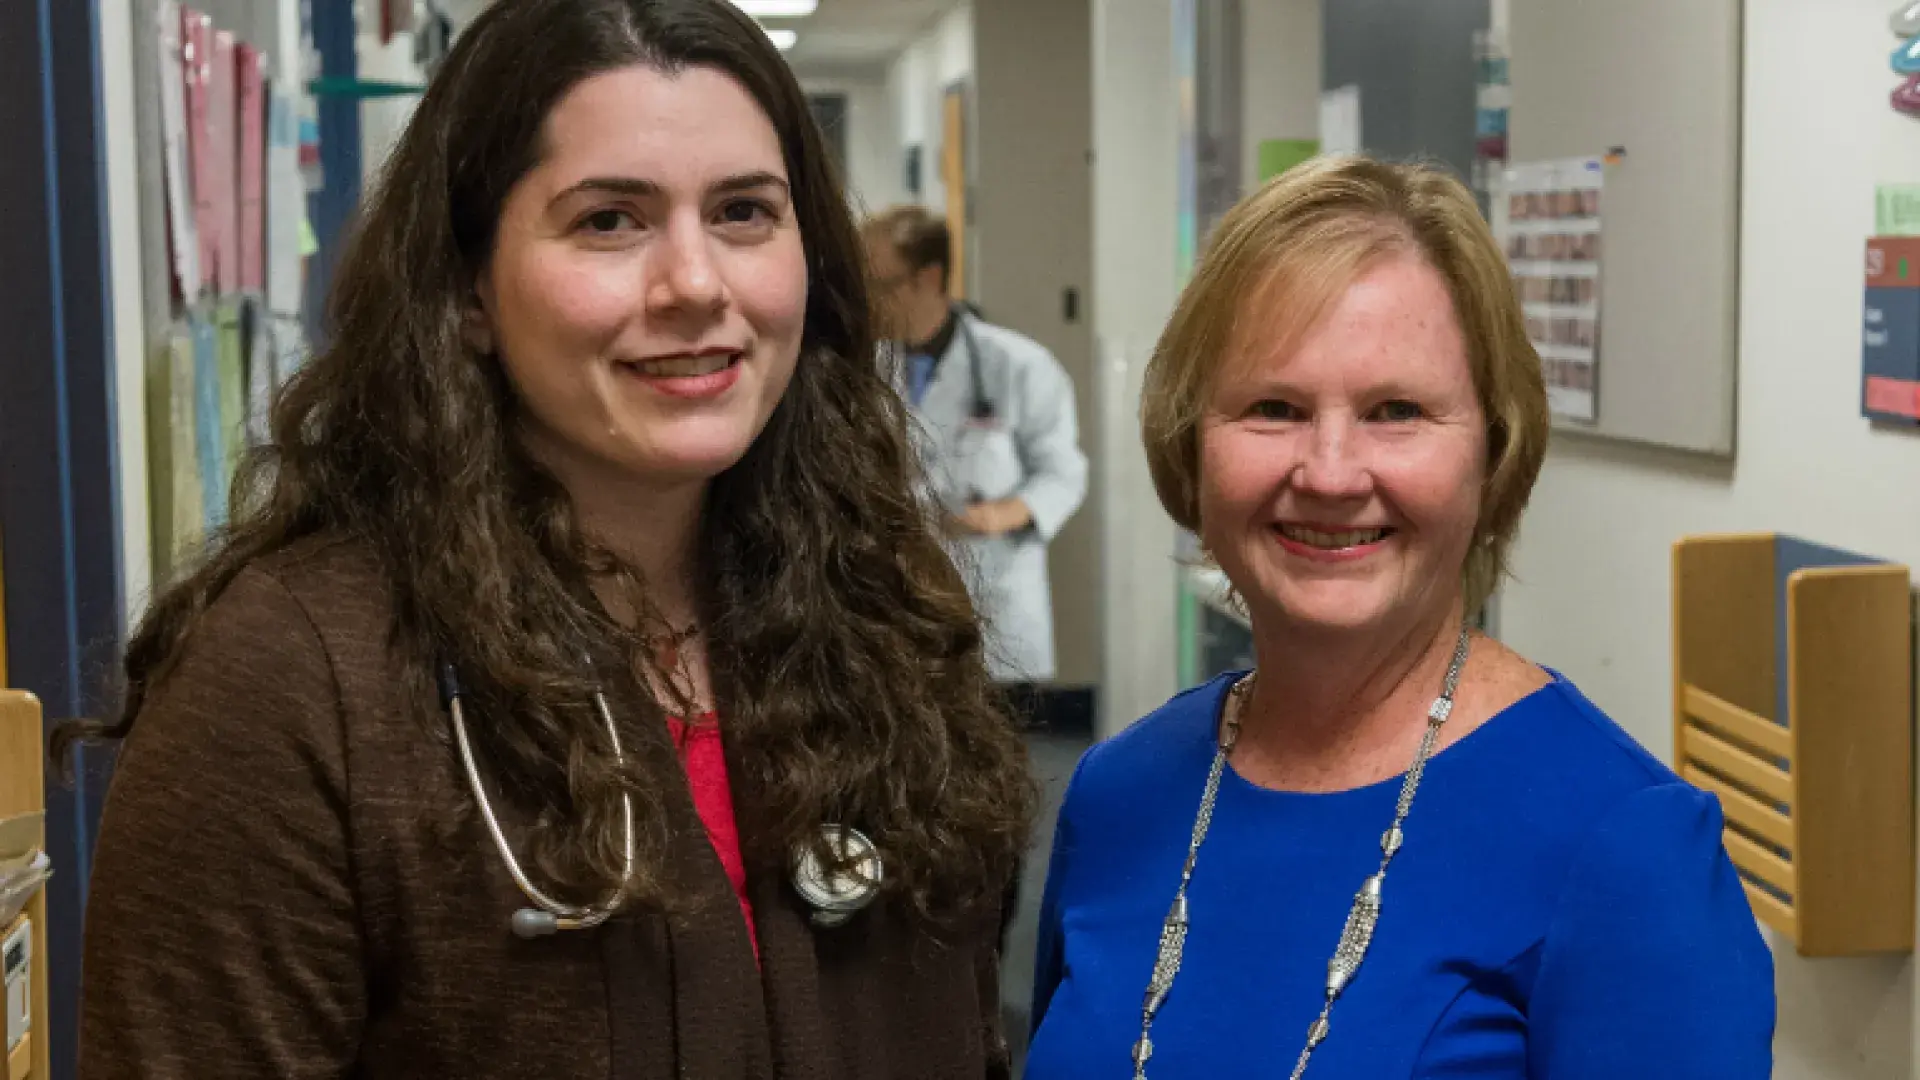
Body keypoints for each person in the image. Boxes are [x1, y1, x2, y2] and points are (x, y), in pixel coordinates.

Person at [65, 2, 1031, 1076]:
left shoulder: (887, 623)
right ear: (468, 291)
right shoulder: (291, 683)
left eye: (745, 212)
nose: (697, 284)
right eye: (609, 221)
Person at [1025, 156, 1774, 1078]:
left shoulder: (1624, 849)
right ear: (1191, 443)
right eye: (1273, 408)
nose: (1331, 472)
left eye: (1397, 411)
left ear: (1493, 453)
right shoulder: (1117, 792)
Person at [861, 206, 1088, 692]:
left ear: (929, 278)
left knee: (993, 746)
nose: (870, 302)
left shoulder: (1017, 364)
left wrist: (1007, 512)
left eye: (882, 285)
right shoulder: (865, 368)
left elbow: (1063, 471)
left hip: (992, 585)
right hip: (895, 594)